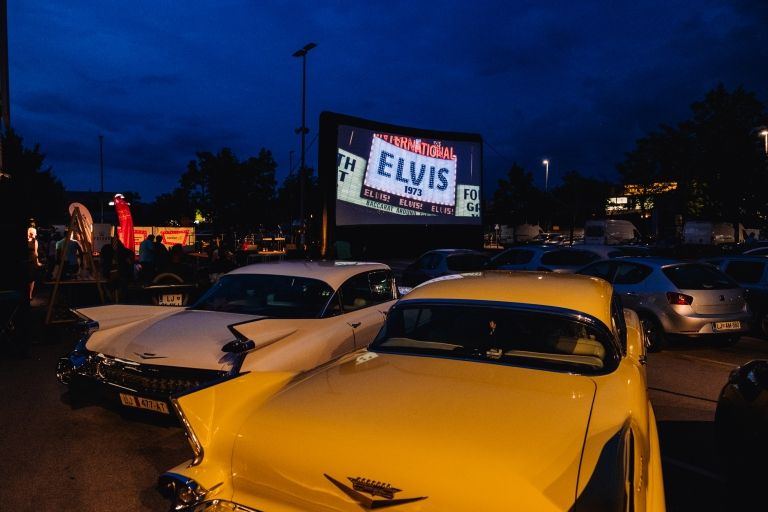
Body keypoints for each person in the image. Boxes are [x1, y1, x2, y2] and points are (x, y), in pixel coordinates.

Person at [27, 227, 42, 301]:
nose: (35, 234)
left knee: (32, 278)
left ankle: (30, 294)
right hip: (27, 260)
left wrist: (37, 261)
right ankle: (26, 294)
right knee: (27, 277)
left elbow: (36, 252)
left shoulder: (35, 241)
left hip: (33, 260)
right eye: (34, 232)